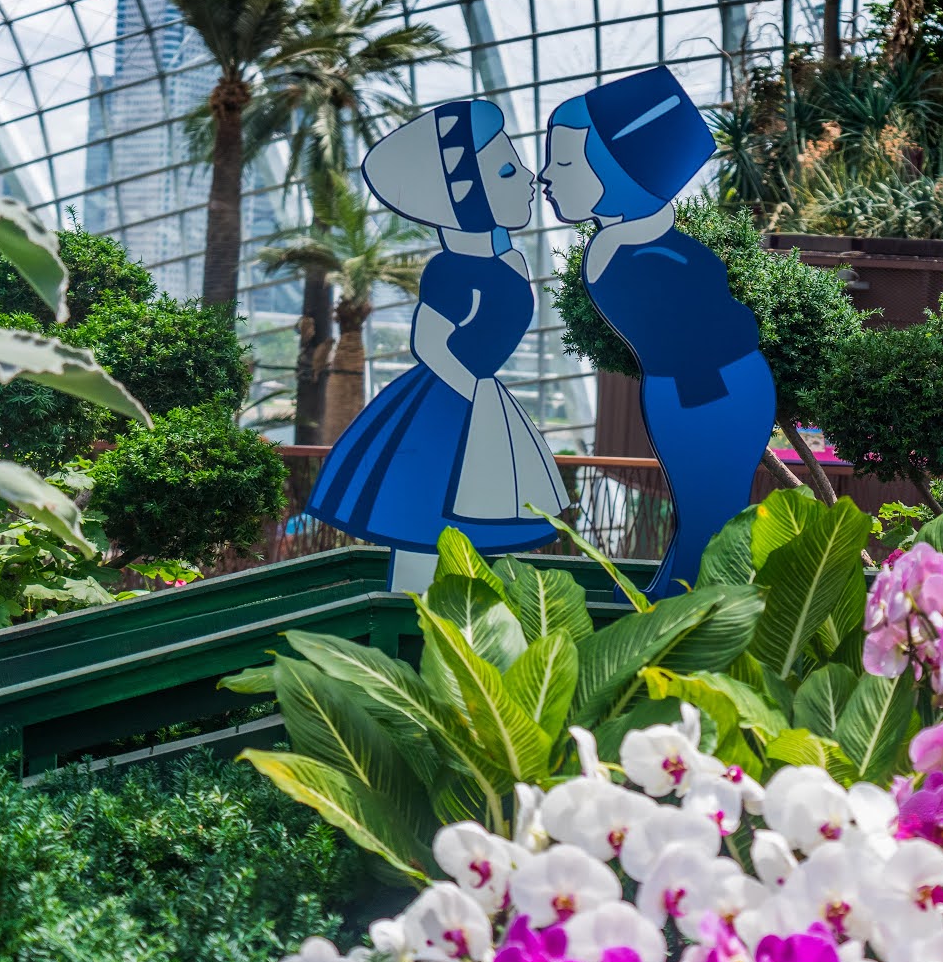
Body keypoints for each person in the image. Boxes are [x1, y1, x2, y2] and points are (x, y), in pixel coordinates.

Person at [305, 99, 569, 591]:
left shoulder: (507, 261)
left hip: (478, 400)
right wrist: (477, 397)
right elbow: (430, 343)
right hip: (448, 407)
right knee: (424, 520)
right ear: (465, 196)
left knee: (476, 523)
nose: (531, 177)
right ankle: (405, 623)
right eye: (509, 169)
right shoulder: (452, 270)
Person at [542, 66, 776, 598]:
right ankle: (674, 607)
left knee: (709, 519)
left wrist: (695, 389)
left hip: (711, 396)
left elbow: (726, 327)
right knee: (702, 515)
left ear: (617, 170)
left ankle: (690, 614)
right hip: (694, 392)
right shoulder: (630, 247)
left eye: (563, 160)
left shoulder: (654, 256)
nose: (546, 177)